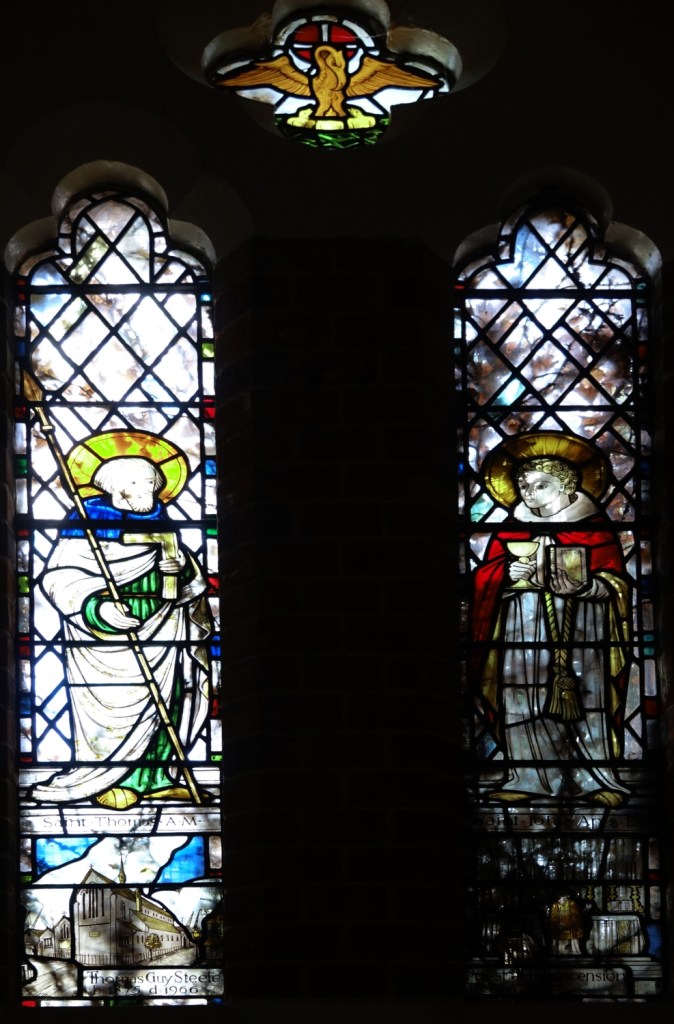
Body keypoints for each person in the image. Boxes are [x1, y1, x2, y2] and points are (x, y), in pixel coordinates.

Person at [30, 441, 212, 809]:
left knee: (170, 698)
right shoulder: (86, 520)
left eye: (152, 483)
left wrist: (180, 571)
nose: (149, 490)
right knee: (114, 704)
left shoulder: (162, 519)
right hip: (105, 634)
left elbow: (186, 577)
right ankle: (108, 779)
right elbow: (59, 577)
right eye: (139, 483)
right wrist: (95, 606)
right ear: (114, 486)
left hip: (164, 624)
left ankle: (158, 778)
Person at [472, 432, 631, 807]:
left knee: (587, 698)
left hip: (585, 628)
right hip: (521, 628)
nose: (528, 493)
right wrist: (505, 576)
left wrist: (590, 586)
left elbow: (617, 583)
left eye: (539, 484)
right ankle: (526, 776)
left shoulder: (593, 528)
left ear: (566, 485)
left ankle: (593, 776)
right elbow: (485, 580)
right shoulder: (511, 530)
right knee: (521, 696)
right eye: (523, 486)